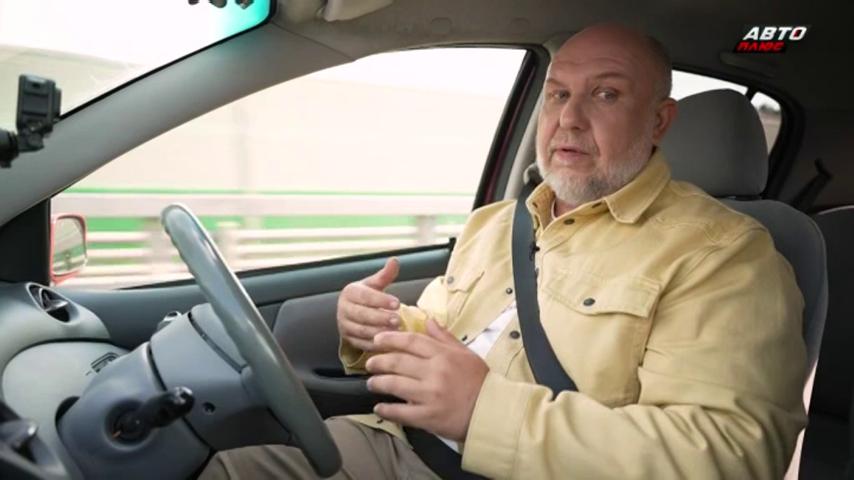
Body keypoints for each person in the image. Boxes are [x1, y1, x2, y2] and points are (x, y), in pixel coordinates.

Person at [200, 23, 806, 479]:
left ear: (659, 122)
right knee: (215, 466)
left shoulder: (724, 257)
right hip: (392, 444)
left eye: (605, 95)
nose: (569, 118)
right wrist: (377, 329)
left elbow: (730, 455)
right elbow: (446, 337)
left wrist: (483, 411)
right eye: (558, 94)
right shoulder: (495, 225)